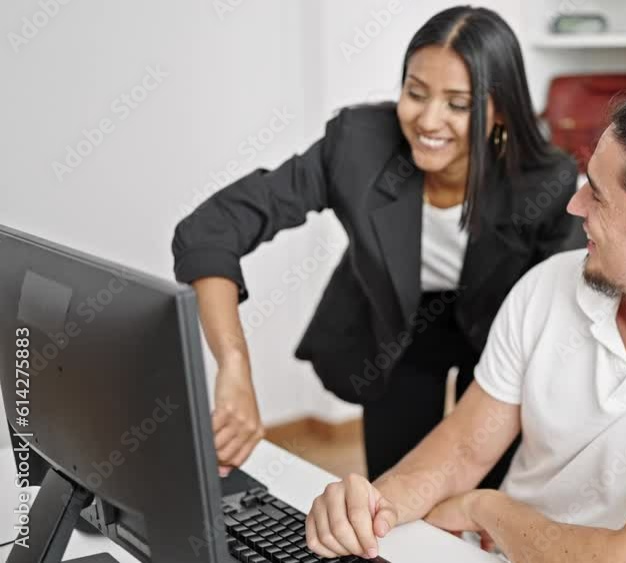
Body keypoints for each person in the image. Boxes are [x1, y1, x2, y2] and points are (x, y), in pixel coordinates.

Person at [302, 94, 626, 562]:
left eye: (597, 196)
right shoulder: (551, 286)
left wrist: (490, 510)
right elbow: (464, 449)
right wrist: (374, 506)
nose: (573, 204)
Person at [170, 6, 579, 487]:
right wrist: (234, 365)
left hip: (500, 330)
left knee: (486, 486)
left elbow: (566, 308)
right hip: (397, 322)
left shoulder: (547, 181)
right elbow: (211, 228)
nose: (428, 119)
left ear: (501, 111)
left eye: (458, 103)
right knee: (393, 487)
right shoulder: (358, 144)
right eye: (416, 92)